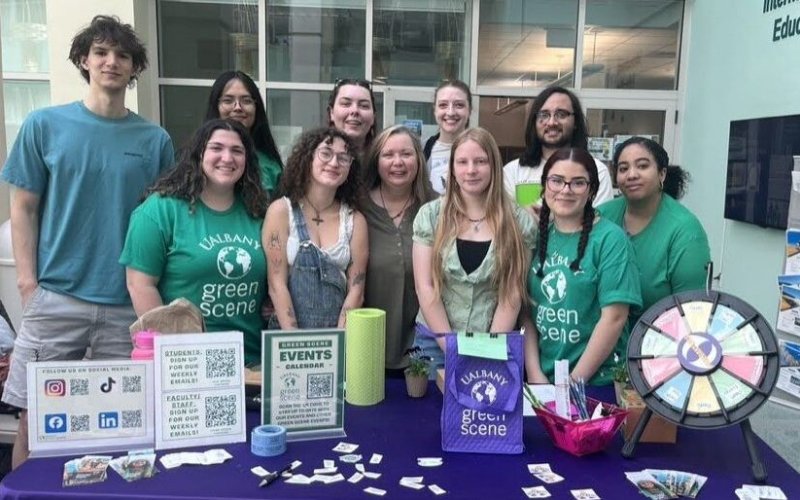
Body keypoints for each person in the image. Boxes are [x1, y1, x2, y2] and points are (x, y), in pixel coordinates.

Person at [0, 15, 174, 467]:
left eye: (122, 55)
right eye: (100, 52)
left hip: (125, 308)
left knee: (121, 423)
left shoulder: (154, 140)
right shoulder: (44, 126)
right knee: (33, 420)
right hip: (56, 298)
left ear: (135, 68)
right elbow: (23, 209)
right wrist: (27, 284)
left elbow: (161, 222)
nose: (111, 62)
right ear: (83, 60)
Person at [120, 119, 268, 366]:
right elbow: (140, 285)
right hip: (187, 363)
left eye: (237, 151)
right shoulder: (159, 210)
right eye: (216, 148)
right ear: (199, 154)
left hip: (251, 361)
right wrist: (172, 354)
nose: (227, 158)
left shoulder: (259, 212)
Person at [413, 127, 535, 372]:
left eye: (480, 161)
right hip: (434, 344)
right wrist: (452, 349)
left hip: (494, 345)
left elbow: (511, 294)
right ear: (452, 168)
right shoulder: (431, 216)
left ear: (494, 166)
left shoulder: (519, 221)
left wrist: (485, 353)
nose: (471, 170)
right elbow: (425, 287)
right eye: (462, 162)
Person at [522, 148, 640, 386]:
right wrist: (535, 374)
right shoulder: (536, 236)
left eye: (577, 183)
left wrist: (572, 384)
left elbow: (614, 318)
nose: (565, 190)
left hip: (596, 384)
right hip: (543, 380)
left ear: (592, 191)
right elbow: (526, 311)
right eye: (556, 181)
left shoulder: (610, 239)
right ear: (544, 187)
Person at [263, 127, 368, 329]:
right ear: (308, 158)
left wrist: (338, 342)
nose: (334, 163)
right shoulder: (281, 211)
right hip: (288, 336)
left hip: (336, 334)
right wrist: (295, 342)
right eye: (326, 153)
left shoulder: (354, 220)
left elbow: (357, 291)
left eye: (343, 158)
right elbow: (277, 284)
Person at [597, 137, 710, 320]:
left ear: (662, 174)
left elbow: (692, 313)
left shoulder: (685, 231)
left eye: (642, 166)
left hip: (657, 341)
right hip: (596, 339)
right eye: (623, 168)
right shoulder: (601, 216)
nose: (632, 174)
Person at [362, 126, 435, 373]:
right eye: (388, 154)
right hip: (365, 353)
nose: (398, 162)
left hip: (424, 356)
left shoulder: (438, 208)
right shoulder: (356, 207)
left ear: (419, 159)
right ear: (376, 160)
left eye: (406, 154)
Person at [503, 86, 613, 207]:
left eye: (561, 114)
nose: (551, 122)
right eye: (544, 115)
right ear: (534, 122)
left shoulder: (597, 171)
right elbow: (509, 221)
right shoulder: (513, 172)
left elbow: (600, 222)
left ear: (576, 121)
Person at [205, 70, 284, 196]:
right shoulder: (196, 159)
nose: (237, 107)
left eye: (246, 101)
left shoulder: (271, 168)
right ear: (216, 106)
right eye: (228, 100)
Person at [423, 79, 473, 194]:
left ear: (469, 110)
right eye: (443, 105)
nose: (450, 112)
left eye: (459, 105)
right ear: (434, 110)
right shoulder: (420, 150)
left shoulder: (484, 150)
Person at [327, 78, 377, 156]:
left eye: (364, 106)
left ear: (373, 117)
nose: (355, 111)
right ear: (331, 113)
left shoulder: (385, 162)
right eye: (346, 104)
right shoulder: (312, 160)